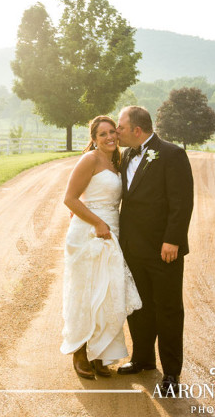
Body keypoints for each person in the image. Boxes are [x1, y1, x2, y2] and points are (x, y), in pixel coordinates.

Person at [115, 106, 194, 396]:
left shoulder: (172, 154)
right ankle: (142, 359)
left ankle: (172, 373)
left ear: (137, 130)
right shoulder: (125, 155)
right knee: (139, 307)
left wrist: (173, 239)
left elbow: (181, 201)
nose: (117, 132)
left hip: (164, 251)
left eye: (121, 127)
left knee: (169, 310)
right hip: (132, 248)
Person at [61, 115, 142, 379]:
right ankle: (80, 351)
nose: (109, 137)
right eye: (103, 134)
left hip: (111, 231)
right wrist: (96, 222)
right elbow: (70, 199)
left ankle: (99, 353)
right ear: (94, 139)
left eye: (112, 133)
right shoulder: (90, 159)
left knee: (107, 293)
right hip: (89, 232)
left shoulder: (117, 160)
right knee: (86, 291)